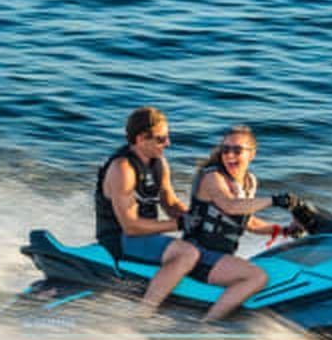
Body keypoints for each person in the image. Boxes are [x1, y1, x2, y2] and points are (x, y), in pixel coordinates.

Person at [183, 125, 299, 321]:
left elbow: (249, 222)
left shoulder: (249, 182)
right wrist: (275, 201)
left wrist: (284, 230)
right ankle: (207, 324)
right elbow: (231, 206)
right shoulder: (213, 177)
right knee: (258, 277)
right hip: (197, 256)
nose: (230, 155)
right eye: (225, 149)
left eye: (237, 150)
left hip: (220, 257)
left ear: (252, 154)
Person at [96, 106, 200, 312]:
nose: (168, 144)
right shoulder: (122, 169)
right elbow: (130, 227)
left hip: (147, 237)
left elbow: (169, 203)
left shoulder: (158, 162)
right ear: (141, 138)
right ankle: (144, 313)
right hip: (121, 240)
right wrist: (180, 224)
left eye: (168, 137)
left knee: (204, 242)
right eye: (161, 139)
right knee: (187, 254)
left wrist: (196, 216)